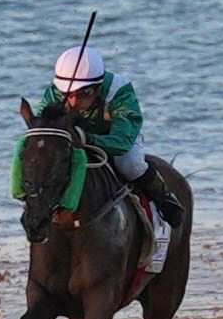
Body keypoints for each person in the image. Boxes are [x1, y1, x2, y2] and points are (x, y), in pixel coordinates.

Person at [41, 47, 181, 227]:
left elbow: (122, 141)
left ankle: (166, 198)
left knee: (130, 165)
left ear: (98, 87)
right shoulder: (55, 93)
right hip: (76, 139)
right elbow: (43, 133)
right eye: (69, 95)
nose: (75, 102)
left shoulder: (119, 91)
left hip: (117, 138)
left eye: (84, 94)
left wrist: (89, 140)